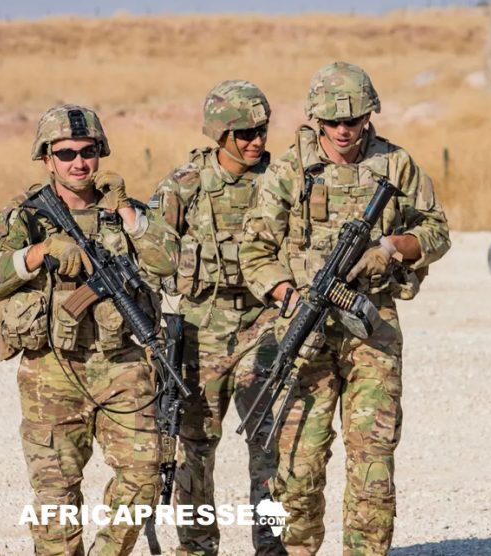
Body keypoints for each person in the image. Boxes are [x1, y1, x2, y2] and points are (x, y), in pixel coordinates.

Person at [238, 61, 450, 555]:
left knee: (373, 464)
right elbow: (254, 251)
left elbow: (437, 231)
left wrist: (391, 248)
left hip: (371, 331)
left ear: (368, 116)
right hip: (304, 331)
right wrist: (289, 296)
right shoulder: (290, 171)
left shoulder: (395, 165)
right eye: (332, 122)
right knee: (298, 466)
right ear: (315, 119)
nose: (342, 131)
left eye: (352, 121)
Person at [0, 104, 176, 555]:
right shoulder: (26, 216)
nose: (79, 163)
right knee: (55, 499)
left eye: (88, 151)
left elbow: (168, 261)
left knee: (144, 477)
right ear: (47, 158)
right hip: (51, 371)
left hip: (122, 366)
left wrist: (126, 211)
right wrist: (40, 252)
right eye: (66, 153)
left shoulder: (125, 211)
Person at [146, 80, 285, 556]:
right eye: (244, 133)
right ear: (219, 134)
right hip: (199, 330)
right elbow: (150, 257)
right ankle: (196, 546)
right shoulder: (184, 185)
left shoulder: (281, 181)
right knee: (193, 449)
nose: (256, 141)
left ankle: (273, 547)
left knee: (272, 445)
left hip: (265, 324)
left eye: (262, 130)